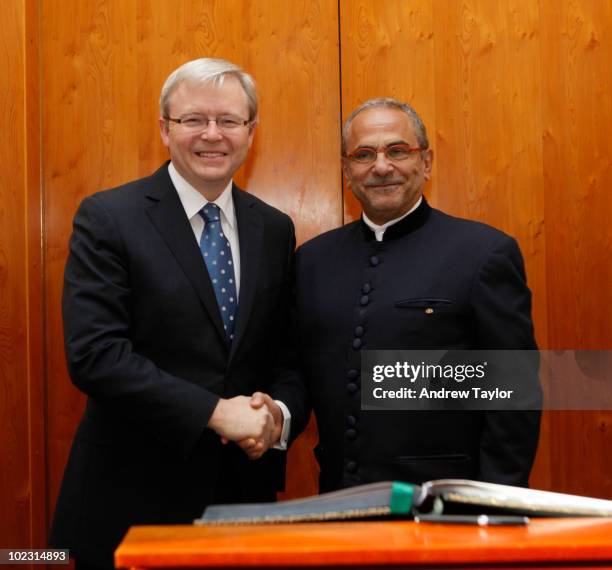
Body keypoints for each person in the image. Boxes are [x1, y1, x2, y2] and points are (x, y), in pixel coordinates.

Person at [50, 58, 307, 569]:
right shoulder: (108, 218)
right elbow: (96, 356)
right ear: (165, 129)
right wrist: (216, 414)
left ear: (250, 132)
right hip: (130, 502)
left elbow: (287, 353)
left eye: (229, 121)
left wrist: (277, 417)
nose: (212, 135)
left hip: (242, 505)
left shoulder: (275, 228)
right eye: (194, 119)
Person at [295, 98, 540, 493]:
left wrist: (496, 502)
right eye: (363, 154)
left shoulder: (483, 253)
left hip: (446, 505)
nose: (381, 166)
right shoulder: (312, 261)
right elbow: (300, 372)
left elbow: (515, 396)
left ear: (425, 162)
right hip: (341, 503)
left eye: (397, 150)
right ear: (346, 171)